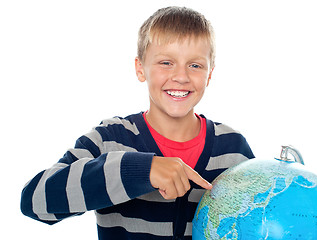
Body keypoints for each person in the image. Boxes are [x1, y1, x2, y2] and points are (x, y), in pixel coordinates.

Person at [20, 6, 254, 240]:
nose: (181, 77)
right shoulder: (109, 139)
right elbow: (34, 201)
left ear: (209, 74)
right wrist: (139, 171)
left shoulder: (233, 149)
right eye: (166, 63)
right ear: (140, 68)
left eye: (195, 65)